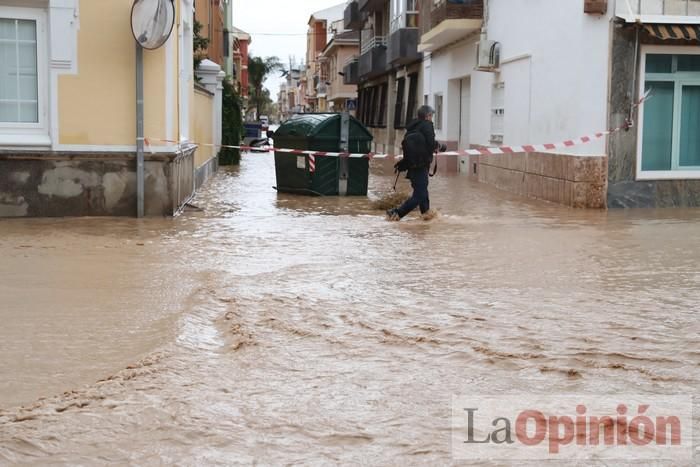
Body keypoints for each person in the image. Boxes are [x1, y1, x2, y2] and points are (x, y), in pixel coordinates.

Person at [387, 105, 440, 221]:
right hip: (421, 165)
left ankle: (426, 217)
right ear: (428, 116)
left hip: (412, 165)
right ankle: (397, 213)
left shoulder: (412, 127)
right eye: (431, 116)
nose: (432, 118)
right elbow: (430, 145)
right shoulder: (427, 125)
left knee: (423, 192)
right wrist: (438, 146)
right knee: (420, 195)